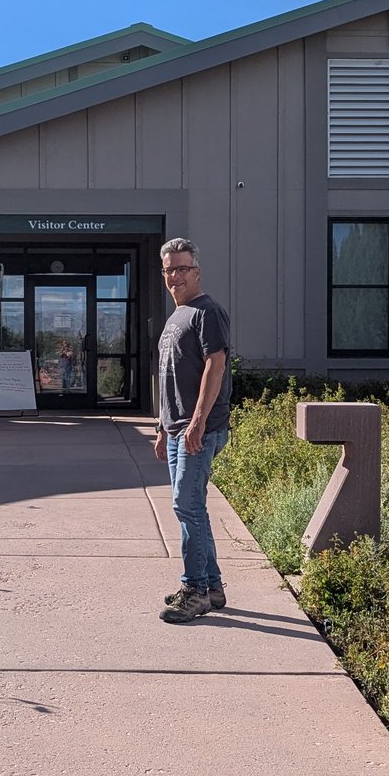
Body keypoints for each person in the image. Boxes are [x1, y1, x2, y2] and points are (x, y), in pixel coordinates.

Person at [152, 237, 231, 622]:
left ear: (196, 272)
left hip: (198, 429)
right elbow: (172, 378)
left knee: (186, 505)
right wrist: (162, 426)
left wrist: (197, 421)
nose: (174, 276)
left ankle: (195, 589)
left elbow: (214, 367)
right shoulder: (176, 317)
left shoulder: (207, 312)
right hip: (177, 428)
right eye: (168, 269)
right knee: (193, 508)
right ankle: (212, 586)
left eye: (181, 268)